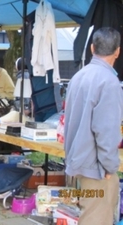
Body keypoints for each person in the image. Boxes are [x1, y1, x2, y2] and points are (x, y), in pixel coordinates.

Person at [64, 27, 123, 225]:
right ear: (117, 51)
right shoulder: (109, 82)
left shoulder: (78, 77)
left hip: (78, 160)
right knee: (96, 218)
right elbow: (105, 130)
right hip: (97, 167)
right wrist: (109, 165)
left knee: (89, 212)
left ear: (91, 48)